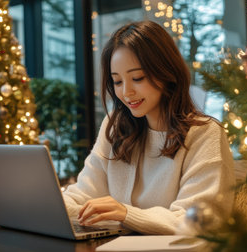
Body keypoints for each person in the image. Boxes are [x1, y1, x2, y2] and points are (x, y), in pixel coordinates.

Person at [63, 20, 235, 235]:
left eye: (137, 78)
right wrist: (43, 203)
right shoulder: (115, 126)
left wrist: (126, 214)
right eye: (117, 82)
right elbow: (82, 195)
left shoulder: (204, 134)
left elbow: (202, 220)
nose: (126, 92)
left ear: (166, 72)